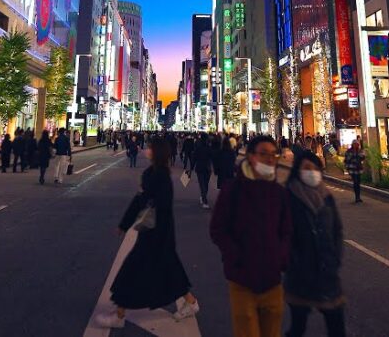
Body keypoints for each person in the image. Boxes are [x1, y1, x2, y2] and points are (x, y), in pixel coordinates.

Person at [94, 136, 199, 328]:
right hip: (159, 232)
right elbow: (140, 200)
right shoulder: (155, 173)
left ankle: (119, 314)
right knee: (170, 268)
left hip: (156, 232)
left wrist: (129, 221)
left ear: (157, 152)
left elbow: (150, 202)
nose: (147, 150)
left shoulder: (159, 175)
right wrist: (125, 224)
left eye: (150, 147)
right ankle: (191, 302)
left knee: (131, 270)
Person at [210, 135, 292, 337]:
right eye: (263, 154)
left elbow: (288, 231)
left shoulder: (279, 193)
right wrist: (235, 255)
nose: (270, 159)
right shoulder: (233, 190)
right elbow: (218, 229)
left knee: (272, 332)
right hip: (242, 279)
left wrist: (280, 258)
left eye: (273, 154)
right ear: (251, 156)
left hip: (272, 279)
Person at [285, 151, 346, 337]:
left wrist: (335, 258)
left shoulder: (327, 197)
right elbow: (284, 235)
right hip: (300, 276)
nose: (311, 172)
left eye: (314, 168)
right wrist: (294, 262)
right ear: (297, 171)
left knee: (336, 327)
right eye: (306, 168)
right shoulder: (289, 197)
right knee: (298, 328)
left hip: (328, 274)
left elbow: (337, 230)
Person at [193, 134, 214, 209]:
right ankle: (204, 199)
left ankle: (203, 197)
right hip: (207, 168)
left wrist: (191, 167)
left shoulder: (198, 148)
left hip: (200, 167)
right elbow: (212, 157)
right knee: (205, 184)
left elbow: (194, 157)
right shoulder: (209, 147)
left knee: (202, 184)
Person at [344, 140, 365, 204]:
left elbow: (363, 157)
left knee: (358, 183)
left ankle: (358, 197)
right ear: (352, 144)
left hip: (358, 169)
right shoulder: (349, 151)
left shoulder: (360, 151)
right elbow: (347, 160)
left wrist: (360, 155)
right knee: (355, 182)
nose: (356, 145)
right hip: (352, 169)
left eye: (357, 144)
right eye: (355, 144)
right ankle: (357, 197)